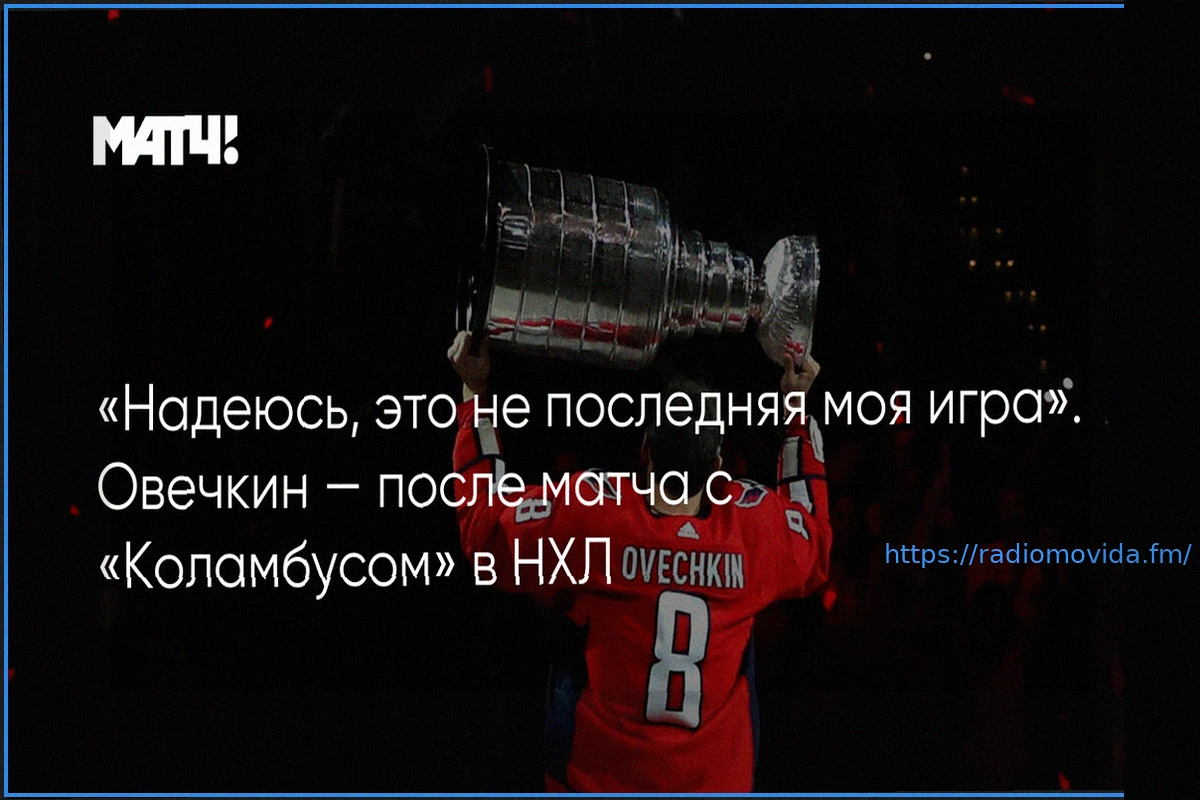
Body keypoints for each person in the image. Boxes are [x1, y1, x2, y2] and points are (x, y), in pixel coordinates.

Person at [448, 331, 831, 792]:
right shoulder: (754, 529)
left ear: (645, 450)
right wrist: (795, 412)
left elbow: (484, 529)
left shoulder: (592, 515)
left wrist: (474, 395)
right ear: (718, 466)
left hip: (596, 783)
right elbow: (814, 539)